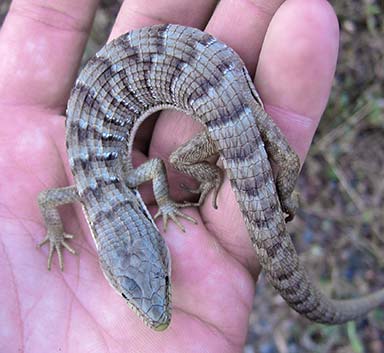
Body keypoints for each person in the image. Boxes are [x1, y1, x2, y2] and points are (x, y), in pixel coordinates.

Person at [0, 0, 339, 351]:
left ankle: (278, 191)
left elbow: (50, 198)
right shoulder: (86, 191)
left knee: (250, 152)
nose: (157, 311)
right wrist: (159, 201)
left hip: (198, 69)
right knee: (267, 152)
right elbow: (53, 198)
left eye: (161, 280)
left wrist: (60, 234)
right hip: (209, 62)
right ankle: (280, 192)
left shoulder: (97, 191)